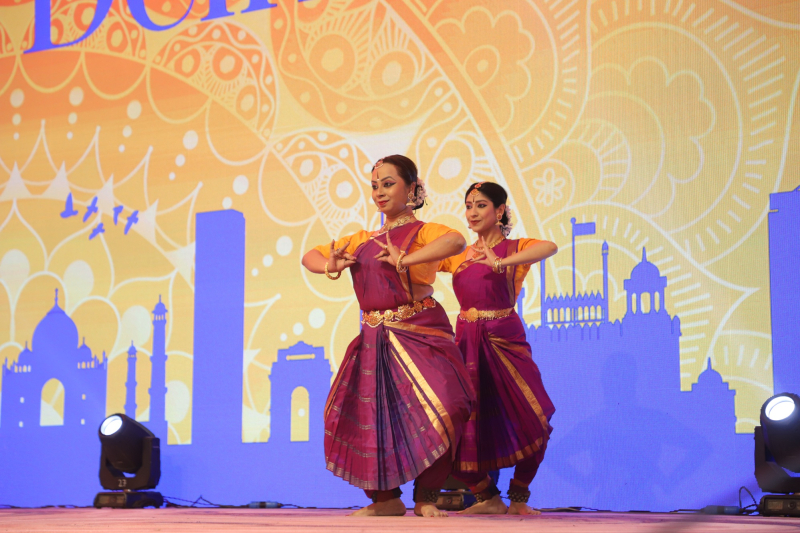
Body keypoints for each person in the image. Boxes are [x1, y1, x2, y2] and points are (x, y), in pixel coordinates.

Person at [301, 155, 475, 518]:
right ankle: (385, 500)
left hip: (420, 331)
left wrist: (405, 260)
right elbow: (309, 257)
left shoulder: (422, 232)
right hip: (374, 340)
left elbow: (457, 241)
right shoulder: (361, 239)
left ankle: (426, 496)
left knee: (449, 406)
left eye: (389, 184)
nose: (379, 192)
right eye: (375, 186)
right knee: (371, 418)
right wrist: (330, 265)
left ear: (411, 189)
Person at [438, 181, 557, 515]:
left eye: (481, 205)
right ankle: (486, 497)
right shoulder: (460, 253)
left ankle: (518, 498)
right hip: (466, 342)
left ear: (500, 210)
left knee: (537, 416)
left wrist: (503, 262)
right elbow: (424, 266)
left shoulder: (516, 248)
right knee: (459, 425)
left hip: (505, 339)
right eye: (469, 206)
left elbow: (549, 247)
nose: (472, 213)